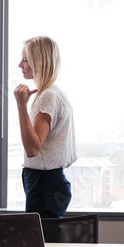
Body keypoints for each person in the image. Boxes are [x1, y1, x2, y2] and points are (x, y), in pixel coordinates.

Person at [13, 36, 77, 218]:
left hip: (44, 182)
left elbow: (32, 148)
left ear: (42, 62)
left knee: (42, 243)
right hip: (47, 182)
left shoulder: (48, 96)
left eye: (25, 60)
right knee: (46, 240)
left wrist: (21, 105)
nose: (20, 65)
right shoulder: (52, 93)